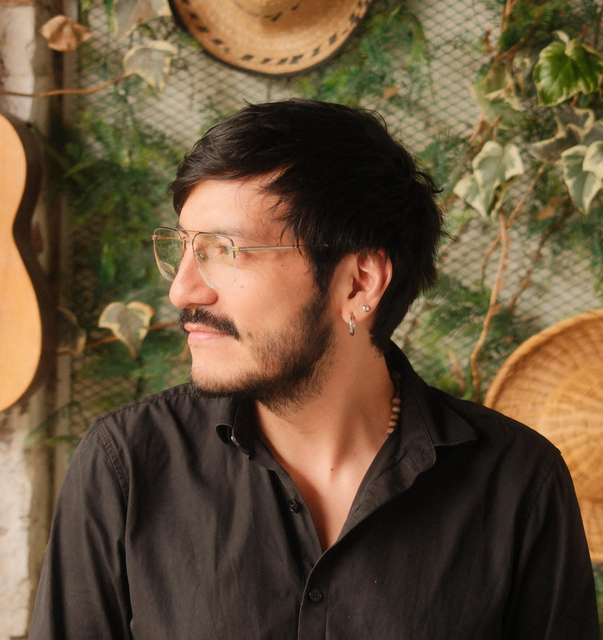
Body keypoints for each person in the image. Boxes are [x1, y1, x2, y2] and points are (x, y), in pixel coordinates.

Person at [30, 99, 599, 639]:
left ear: (359, 283)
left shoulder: (518, 480)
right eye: (184, 248)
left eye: (223, 250)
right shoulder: (127, 463)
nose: (182, 291)